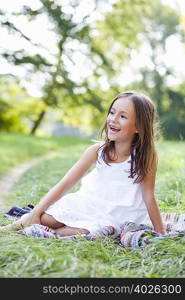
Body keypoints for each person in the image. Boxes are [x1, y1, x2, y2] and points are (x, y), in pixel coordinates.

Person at [0, 91, 165, 236]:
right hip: (88, 203)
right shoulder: (97, 151)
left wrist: (161, 232)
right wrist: (36, 213)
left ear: (139, 126)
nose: (113, 120)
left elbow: (148, 196)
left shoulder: (145, 157)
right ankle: (22, 224)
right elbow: (66, 183)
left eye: (122, 116)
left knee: (83, 232)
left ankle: (36, 233)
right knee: (46, 218)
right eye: (112, 112)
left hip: (117, 214)